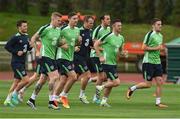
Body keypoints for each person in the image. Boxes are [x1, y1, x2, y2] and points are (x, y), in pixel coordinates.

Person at [126, 18, 168, 108]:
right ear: (153, 25)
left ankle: (158, 103)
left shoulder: (160, 36)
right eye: (158, 24)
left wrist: (162, 51)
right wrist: (156, 48)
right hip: (148, 62)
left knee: (160, 82)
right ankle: (132, 88)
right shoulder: (150, 35)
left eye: (161, 24)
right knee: (148, 85)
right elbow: (143, 47)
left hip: (157, 62)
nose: (160, 26)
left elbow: (158, 48)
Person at [29, 12, 62, 110]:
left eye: (60, 21)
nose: (60, 22)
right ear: (53, 19)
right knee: (55, 76)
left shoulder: (58, 30)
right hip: (45, 57)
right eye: (58, 20)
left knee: (42, 79)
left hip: (52, 57)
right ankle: (51, 101)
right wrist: (37, 51)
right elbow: (33, 38)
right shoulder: (45, 28)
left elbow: (57, 43)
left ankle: (31, 99)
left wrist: (63, 44)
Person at [94, 19, 125, 107]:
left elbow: (120, 51)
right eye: (118, 26)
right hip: (107, 63)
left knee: (111, 82)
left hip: (114, 63)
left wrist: (123, 53)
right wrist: (100, 56)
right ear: (113, 26)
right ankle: (100, 87)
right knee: (117, 82)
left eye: (121, 26)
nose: (120, 27)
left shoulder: (121, 38)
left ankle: (104, 101)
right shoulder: (108, 36)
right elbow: (96, 44)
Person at [53, 12, 81, 109]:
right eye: (74, 19)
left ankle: (54, 98)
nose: (76, 20)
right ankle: (63, 96)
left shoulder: (77, 30)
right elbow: (54, 40)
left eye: (77, 19)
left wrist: (78, 43)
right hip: (62, 57)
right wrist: (61, 45)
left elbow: (74, 42)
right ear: (69, 19)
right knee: (73, 77)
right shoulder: (63, 30)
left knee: (63, 80)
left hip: (70, 58)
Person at [4, 20, 32, 107]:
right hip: (16, 63)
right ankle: (15, 94)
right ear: (19, 27)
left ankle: (7, 100)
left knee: (16, 81)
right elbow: (7, 46)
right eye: (24, 26)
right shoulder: (15, 37)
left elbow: (27, 49)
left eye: (26, 26)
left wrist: (30, 46)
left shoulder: (27, 36)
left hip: (22, 62)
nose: (26, 27)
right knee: (26, 80)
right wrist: (16, 52)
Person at [90, 14, 111, 104]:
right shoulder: (98, 30)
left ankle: (91, 79)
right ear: (102, 20)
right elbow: (93, 44)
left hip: (105, 56)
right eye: (107, 19)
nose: (109, 20)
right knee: (101, 77)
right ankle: (96, 97)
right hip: (96, 55)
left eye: (109, 19)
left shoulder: (109, 29)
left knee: (105, 76)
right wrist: (104, 49)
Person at [73, 16, 94, 104]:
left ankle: (61, 95)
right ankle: (81, 95)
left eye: (92, 23)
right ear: (85, 22)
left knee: (74, 78)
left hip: (84, 58)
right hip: (77, 57)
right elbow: (70, 41)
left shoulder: (90, 32)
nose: (91, 25)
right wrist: (74, 47)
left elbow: (90, 44)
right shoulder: (78, 31)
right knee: (88, 75)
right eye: (90, 23)